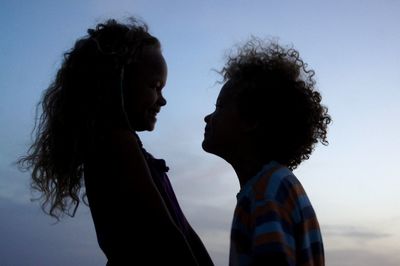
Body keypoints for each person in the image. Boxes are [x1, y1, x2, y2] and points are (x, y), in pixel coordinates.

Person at [18, 18, 214, 266]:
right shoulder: (115, 144)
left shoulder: (120, 145)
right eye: (155, 86)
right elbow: (164, 233)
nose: (162, 100)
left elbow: (182, 229)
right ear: (117, 82)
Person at [202, 39, 331, 266]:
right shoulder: (275, 186)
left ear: (251, 120)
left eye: (220, 106)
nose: (208, 117)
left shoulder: (266, 194)